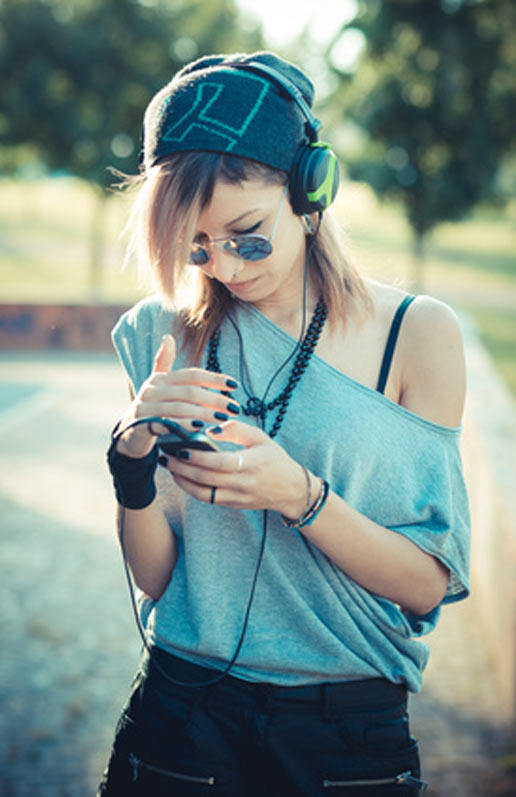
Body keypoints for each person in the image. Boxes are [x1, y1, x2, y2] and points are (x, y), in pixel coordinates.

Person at [99, 51, 470, 796]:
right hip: (180, 716)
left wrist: (299, 492)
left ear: (310, 188)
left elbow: (427, 585)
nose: (226, 268)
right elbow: (157, 575)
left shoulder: (417, 335)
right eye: (197, 247)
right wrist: (131, 467)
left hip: (345, 734)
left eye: (247, 234)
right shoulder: (162, 331)